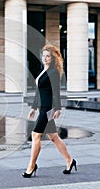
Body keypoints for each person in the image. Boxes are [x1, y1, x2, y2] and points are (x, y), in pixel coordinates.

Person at [22, 44, 77, 178]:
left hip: (48, 108)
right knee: (54, 137)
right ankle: (70, 161)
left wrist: (58, 108)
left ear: (52, 58)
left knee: (36, 135)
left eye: (48, 56)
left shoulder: (53, 72)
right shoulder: (43, 70)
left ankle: (31, 166)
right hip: (42, 108)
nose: (45, 58)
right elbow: (39, 92)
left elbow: (56, 91)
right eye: (44, 56)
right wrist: (33, 107)